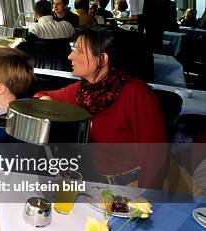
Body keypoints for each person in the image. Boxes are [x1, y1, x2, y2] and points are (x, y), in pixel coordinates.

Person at [33, 27, 167, 189]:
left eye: (79, 51)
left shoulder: (138, 95)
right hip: (89, 182)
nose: (70, 56)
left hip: (128, 188)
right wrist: (45, 100)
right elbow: (42, 95)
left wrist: (144, 206)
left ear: (102, 59)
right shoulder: (83, 90)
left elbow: (154, 162)